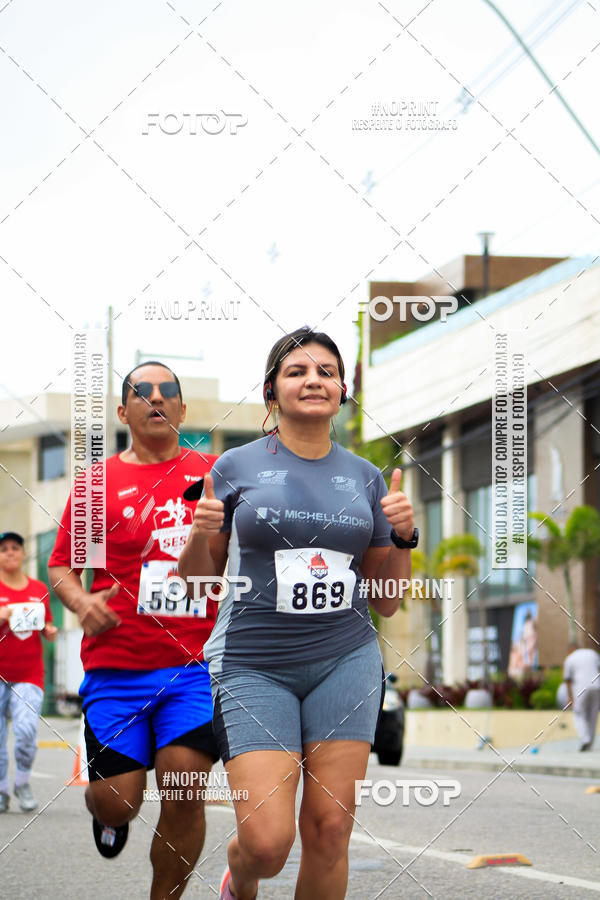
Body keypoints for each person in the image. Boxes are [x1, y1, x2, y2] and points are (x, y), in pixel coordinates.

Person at [178, 327, 416, 900]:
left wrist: (406, 537)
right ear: (272, 391)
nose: (314, 380)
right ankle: (241, 875)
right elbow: (195, 581)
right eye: (297, 371)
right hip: (254, 666)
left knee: (330, 830)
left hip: (346, 662)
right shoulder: (234, 467)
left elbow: (386, 598)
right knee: (267, 843)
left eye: (327, 372)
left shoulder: (367, 477)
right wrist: (200, 532)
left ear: (341, 391)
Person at [48, 361, 220, 900]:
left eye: (168, 392)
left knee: (185, 787)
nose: (156, 399)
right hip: (116, 668)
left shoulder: (212, 473)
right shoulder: (98, 485)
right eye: (142, 393)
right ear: (123, 411)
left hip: (192, 667)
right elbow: (62, 567)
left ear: (183, 409)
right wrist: (80, 601)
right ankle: (107, 815)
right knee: (116, 801)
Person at [0, 531, 57, 813]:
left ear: (23, 553)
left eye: (14, 548)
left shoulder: (38, 589)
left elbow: (47, 626)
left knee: (25, 730)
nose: (9, 553)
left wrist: (51, 631)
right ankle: (1, 790)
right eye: (4, 549)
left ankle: (22, 782)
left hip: (28, 675)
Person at [563, 641, 600, 751]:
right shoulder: (592, 653)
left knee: (578, 714)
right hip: (596, 687)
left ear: (571, 649)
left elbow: (568, 680)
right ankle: (590, 743)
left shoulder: (570, 658)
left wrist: (570, 697)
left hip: (581, 688)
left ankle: (585, 739)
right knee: (593, 716)